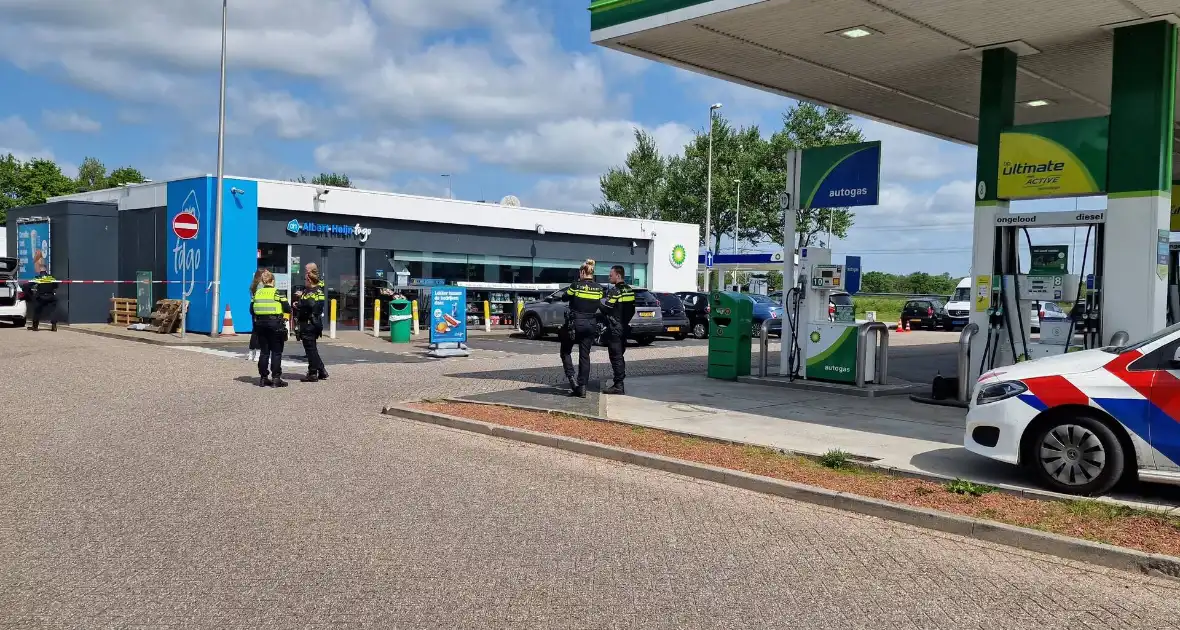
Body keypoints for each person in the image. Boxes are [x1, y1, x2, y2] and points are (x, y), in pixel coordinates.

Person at [558, 259, 604, 398]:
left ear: (583, 272)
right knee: (585, 356)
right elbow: (599, 304)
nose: (579, 275)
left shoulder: (576, 286)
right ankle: (582, 387)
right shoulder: (599, 288)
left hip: (574, 324)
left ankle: (572, 382)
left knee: (565, 351)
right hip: (591, 325)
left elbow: (564, 297)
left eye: (579, 272)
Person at [250, 270, 291, 387]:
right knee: (276, 352)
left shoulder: (257, 293)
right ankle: (276, 378)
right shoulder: (277, 293)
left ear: (263, 281)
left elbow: (251, 310)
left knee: (264, 352)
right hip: (275, 324)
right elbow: (287, 308)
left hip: (260, 325)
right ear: (272, 281)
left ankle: (263, 378)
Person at [599, 264, 635, 395]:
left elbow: (607, 309)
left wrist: (598, 301)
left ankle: (618, 385)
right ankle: (619, 383)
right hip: (625, 327)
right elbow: (632, 309)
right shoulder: (629, 290)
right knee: (620, 355)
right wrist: (624, 322)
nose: (609, 277)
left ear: (618, 275)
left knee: (616, 356)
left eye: (611, 275)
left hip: (615, 328)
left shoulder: (615, 291)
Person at [293, 264, 329, 383]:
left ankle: (314, 373)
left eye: (305, 279)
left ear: (309, 279)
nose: (305, 281)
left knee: (310, 349)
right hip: (315, 322)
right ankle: (319, 371)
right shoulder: (318, 291)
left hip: (308, 323)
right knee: (312, 349)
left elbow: (309, 305)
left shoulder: (310, 293)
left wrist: (298, 305)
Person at [247, 269, 265, 362]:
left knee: (255, 332)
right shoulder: (261, 285)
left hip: (253, 306)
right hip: (259, 307)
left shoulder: (252, 285)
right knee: (259, 332)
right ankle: (258, 353)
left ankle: (251, 353)